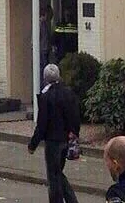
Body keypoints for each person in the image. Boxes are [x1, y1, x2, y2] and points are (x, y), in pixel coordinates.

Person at [28, 64, 80, 203]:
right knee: (58, 172)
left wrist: (33, 144)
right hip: (65, 139)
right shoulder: (68, 93)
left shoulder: (46, 97)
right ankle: (71, 200)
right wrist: (74, 132)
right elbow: (75, 115)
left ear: (45, 79)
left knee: (53, 175)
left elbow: (42, 124)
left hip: (52, 141)